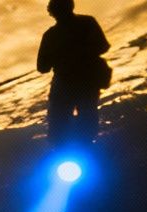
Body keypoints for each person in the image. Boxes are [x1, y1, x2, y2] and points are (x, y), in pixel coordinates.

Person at [36, 0, 109, 144]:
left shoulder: (52, 35)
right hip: (76, 82)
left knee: (72, 124)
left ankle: (77, 148)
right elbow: (42, 67)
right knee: (74, 123)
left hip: (79, 82)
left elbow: (42, 67)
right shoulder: (85, 23)